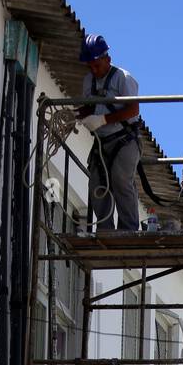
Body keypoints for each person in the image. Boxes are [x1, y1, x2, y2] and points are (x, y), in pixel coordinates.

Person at [77, 34, 142, 234]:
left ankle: (128, 231)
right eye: (90, 66)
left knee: (120, 180)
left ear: (107, 59)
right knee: (97, 183)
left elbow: (133, 110)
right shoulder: (89, 81)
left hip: (125, 140)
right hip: (102, 142)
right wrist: (79, 116)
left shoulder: (123, 78)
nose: (94, 70)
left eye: (97, 65)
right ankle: (105, 231)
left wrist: (103, 120)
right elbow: (88, 108)